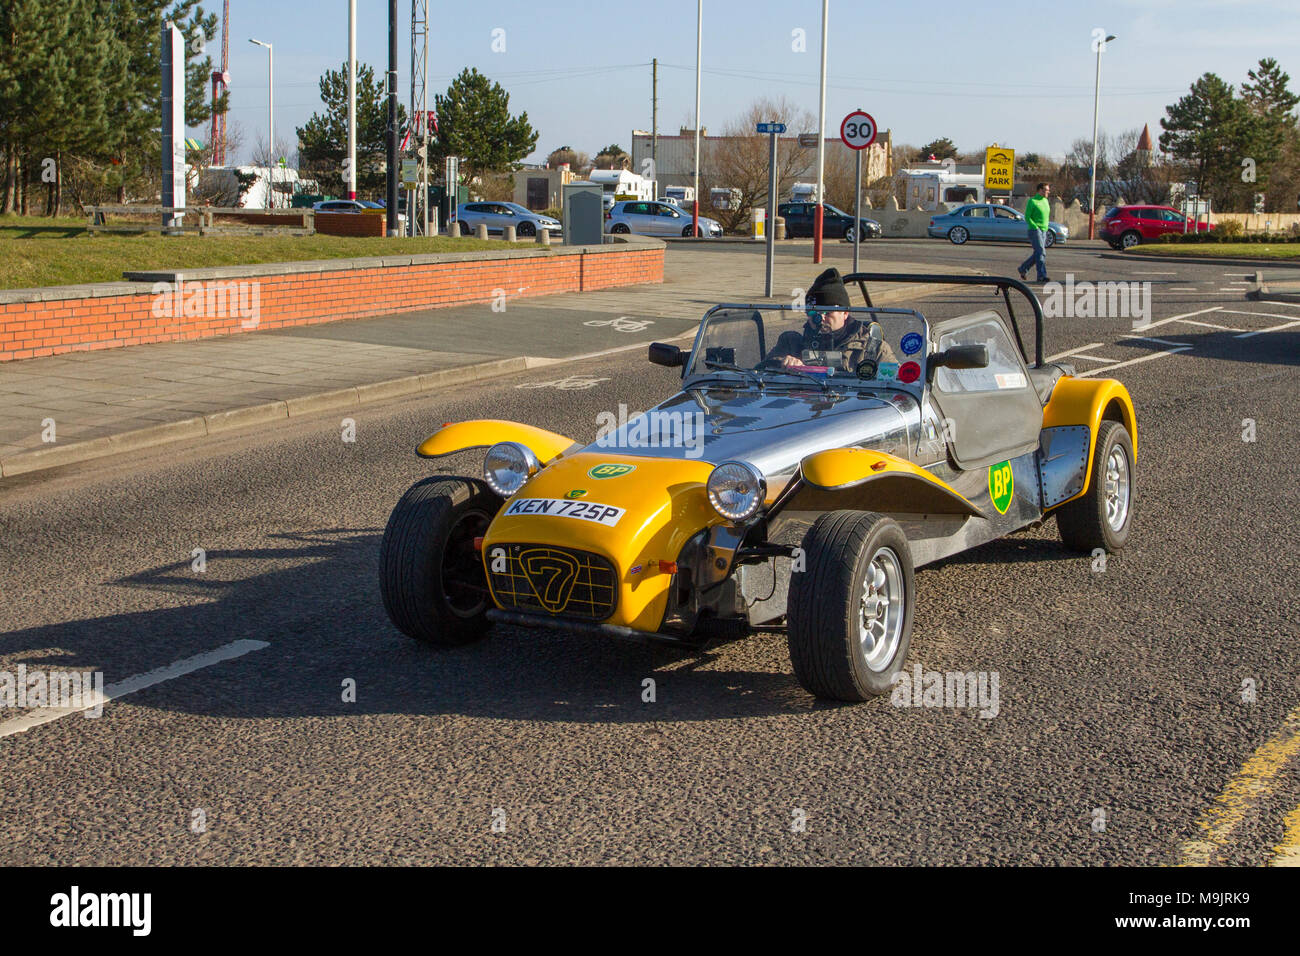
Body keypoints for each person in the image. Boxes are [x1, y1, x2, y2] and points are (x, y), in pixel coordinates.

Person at [765, 267, 897, 376]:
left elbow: (898, 383)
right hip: (805, 404)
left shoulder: (872, 349)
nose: (820, 318)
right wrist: (783, 362)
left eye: (827, 313)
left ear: (845, 313)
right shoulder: (792, 343)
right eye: (813, 312)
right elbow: (761, 370)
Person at [1018, 182, 1052, 282]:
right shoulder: (1032, 201)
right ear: (1040, 190)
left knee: (1038, 253)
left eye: (1048, 190)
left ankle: (1023, 268)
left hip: (1044, 230)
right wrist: (1035, 227)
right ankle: (1041, 275)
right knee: (1042, 252)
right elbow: (1027, 216)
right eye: (1046, 190)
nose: (1048, 192)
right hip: (1035, 230)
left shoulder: (1045, 201)